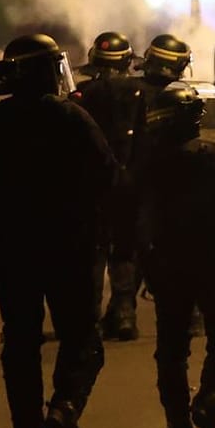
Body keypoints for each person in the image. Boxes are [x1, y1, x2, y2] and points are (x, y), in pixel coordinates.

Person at [0, 33, 116, 428]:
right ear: (49, 71)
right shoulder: (74, 118)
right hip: (73, 248)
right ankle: (65, 407)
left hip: (17, 251)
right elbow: (107, 176)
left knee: (21, 347)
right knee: (82, 339)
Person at [136, 84, 215, 428]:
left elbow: (134, 219)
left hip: (167, 267)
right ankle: (210, 399)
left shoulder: (147, 168)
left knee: (171, 349)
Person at [77, 32, 193, 342]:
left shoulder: (90, 93)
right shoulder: (181, 98)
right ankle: (182, 314)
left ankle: (119, 312)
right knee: (153, 248)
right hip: (154, 184)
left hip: (106, 182)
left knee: (114, 248)